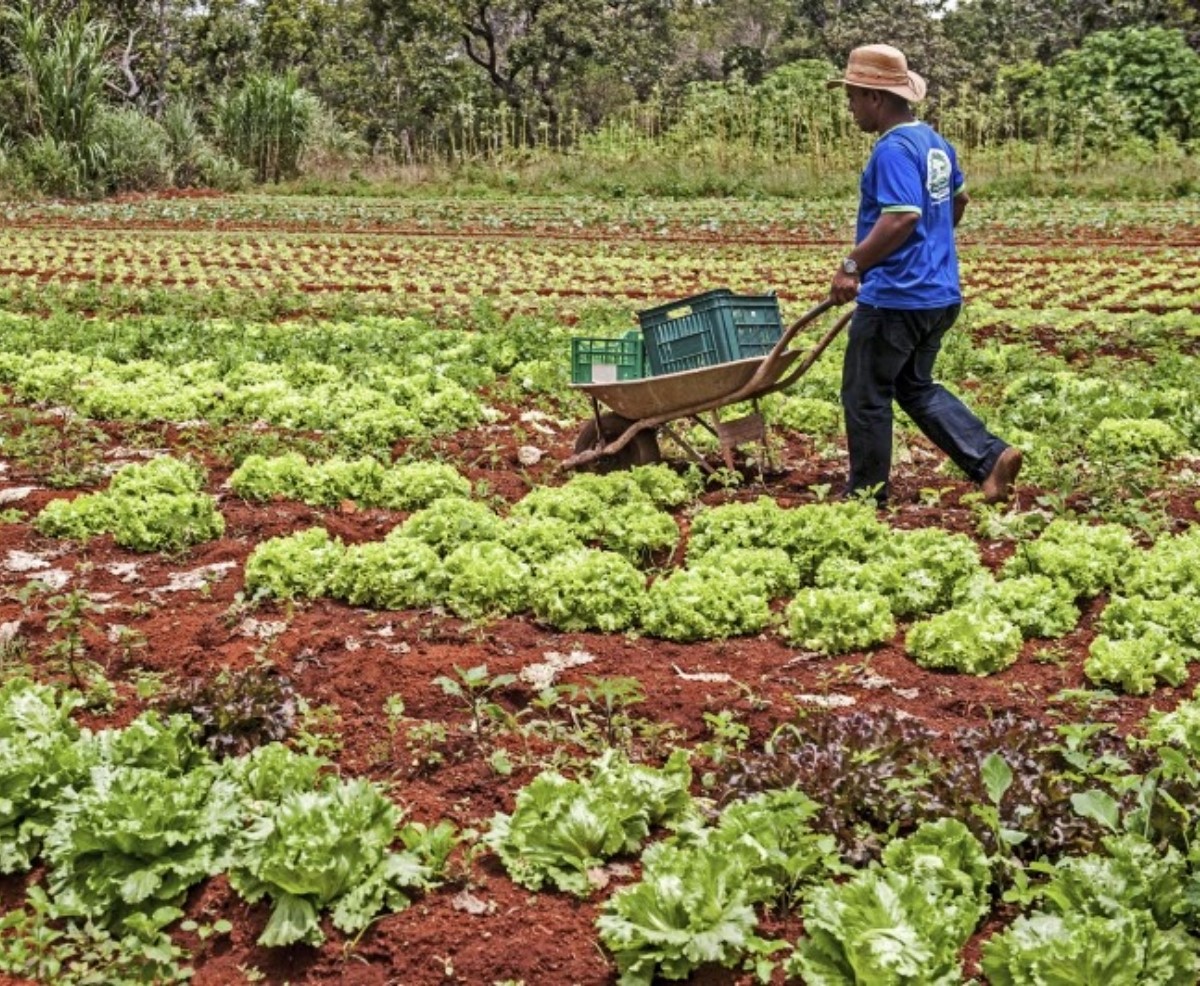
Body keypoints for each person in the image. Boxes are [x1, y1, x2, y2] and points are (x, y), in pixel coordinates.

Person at [826, 43, 1021, 506]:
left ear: (876, 97)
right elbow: (958, 202)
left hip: (897, 297)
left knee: (865, 393)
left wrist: (853, 265)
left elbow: (901, 217)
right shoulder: (935, 144)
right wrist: (930, 247)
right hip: (939, 294)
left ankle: (865, 497)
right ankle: (989, 458)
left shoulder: (892, 149)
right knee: (913, 385)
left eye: (852, 97)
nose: (850, 108)